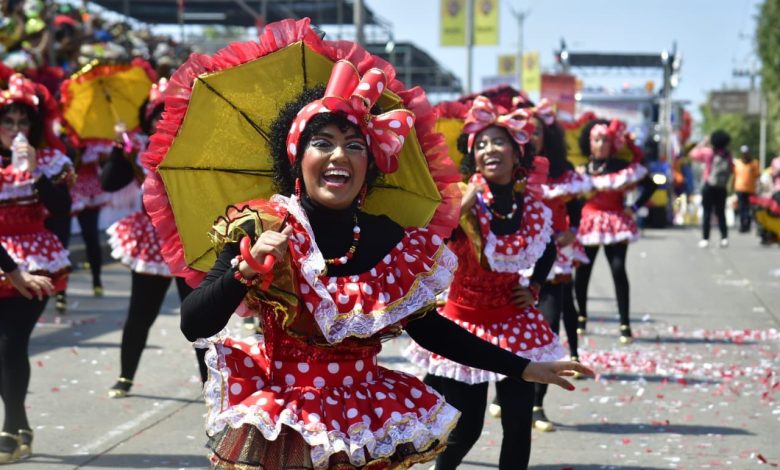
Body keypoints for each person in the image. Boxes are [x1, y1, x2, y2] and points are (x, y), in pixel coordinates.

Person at [152, 24, 592, 469]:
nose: (339, 156)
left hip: (366, 421)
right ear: (296, 157)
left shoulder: (387, 237)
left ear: (370, 164)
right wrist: (244, 270)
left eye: (354, 145)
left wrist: (523, 367)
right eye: (321, 143)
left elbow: (430, 329)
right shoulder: (262, 225)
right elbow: (194, 323)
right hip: (289, 423)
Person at [405, 96, 566, 469]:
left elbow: (548, 249)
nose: (490, 149)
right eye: (481, 144)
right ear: (473, 155)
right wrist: (461, 204)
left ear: (516, 152)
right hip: (465, 324)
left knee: (517, 424)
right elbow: (430, 242)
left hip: (515, 322)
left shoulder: (533, 207)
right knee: (467, 428)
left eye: (499, 142)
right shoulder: (459, 198)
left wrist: (535, 287)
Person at [101, 78, 206, 398]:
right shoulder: (135, 148)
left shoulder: (195, 148)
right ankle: (125, 376)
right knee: (140, 312)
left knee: (198, 317)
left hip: (188, 237)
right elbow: (108, 183)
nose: (163, 121)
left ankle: (211, 385)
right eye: (156, 115)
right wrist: (120, 152)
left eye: (170, 114)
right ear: (147, 120)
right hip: (151, 239)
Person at [0, 73, 73, 464]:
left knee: (11, 343)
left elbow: (62, 209)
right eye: (7, 122)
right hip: (2, 258)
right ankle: (20, 423)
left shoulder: (49, 161)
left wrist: (36, 175)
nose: (15, 130)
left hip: (35, 258)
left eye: (22, 122)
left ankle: (10, 430)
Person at [526, 100, 592, 432]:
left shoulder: (563, 172)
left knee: (547, 329)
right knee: (509, 335)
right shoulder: (510, 167)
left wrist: (572, 231)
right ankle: (507, 394)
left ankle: (537, 405)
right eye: (525, 130)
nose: (530, 135)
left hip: (552, 259)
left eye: (536, 130)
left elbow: (579, 206)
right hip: (512, 261)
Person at [573, 119, 657, 344]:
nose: (601, 145)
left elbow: (650, 185)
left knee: (618, 270)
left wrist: (635, 207)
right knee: (582, 272)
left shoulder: (621, 167)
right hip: (588, 223)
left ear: (612, 143)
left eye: (606, 140)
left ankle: (625, 324)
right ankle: (581, 318)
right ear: (590, 143)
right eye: (597, 140)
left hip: (615, 221)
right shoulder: (582, 170)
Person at [690, 131, 734, 247]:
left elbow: (693, 154)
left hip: (708, 185)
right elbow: (732, 169)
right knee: (721, 213)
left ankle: (705, 238)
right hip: (722, 187)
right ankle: (724, 238)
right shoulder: (727, 155)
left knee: (707, 213)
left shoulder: (708, 152)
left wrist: (703, 142)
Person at [733, 145, 760, 233]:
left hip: (751, 190)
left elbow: (757, 175)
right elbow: (734, 176)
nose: (745, 155)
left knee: (749, 208)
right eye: (744, 153)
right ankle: (742, 225)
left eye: (746, 153)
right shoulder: (737, 163)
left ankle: (747, 225)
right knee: (741, 208)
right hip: (740, 189)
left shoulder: (754, 163)